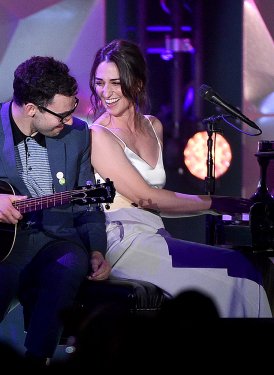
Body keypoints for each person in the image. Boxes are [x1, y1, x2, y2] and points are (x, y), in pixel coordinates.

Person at [88, 39, 272, 318]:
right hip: (123, 242)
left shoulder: (153, 125)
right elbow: (144, 196)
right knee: (238, 273)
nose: (106, 92)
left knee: (247, 269)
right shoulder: (99, 135)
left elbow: (156, 206)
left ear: (137, 83)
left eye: (116, 82)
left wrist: (216, 205)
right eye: (100, 82)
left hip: (154, 235)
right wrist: (215, 202)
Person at [0, 56, 111, 366]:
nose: (68, 120)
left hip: (55, 238)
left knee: (69, 263)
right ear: (32, 108)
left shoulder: (76, 134)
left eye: (72, 109)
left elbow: (87, 202)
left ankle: (38, 359)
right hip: (5, 245)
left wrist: (97, 250)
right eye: (62, 114)